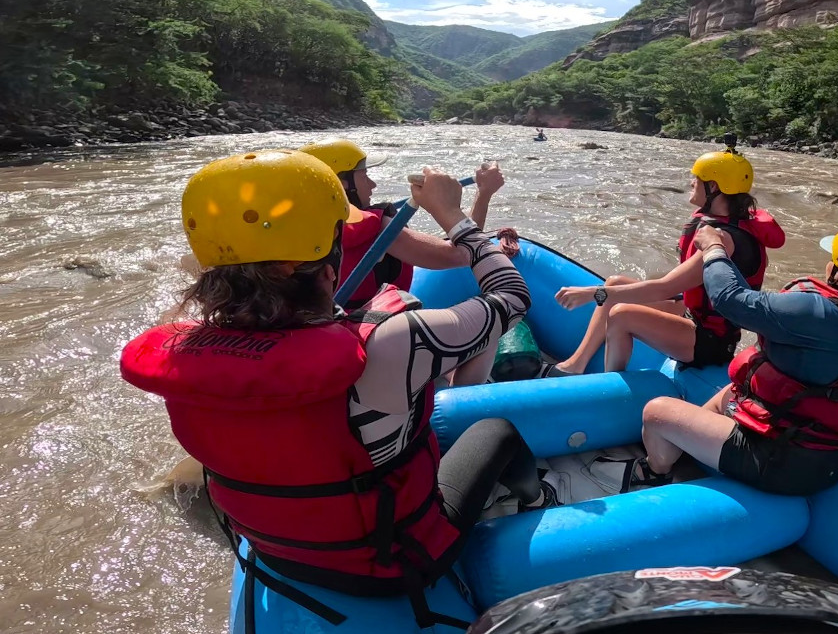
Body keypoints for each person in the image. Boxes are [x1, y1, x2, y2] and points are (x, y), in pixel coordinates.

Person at [120, 150, 556, 628]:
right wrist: (452, 214)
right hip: (389, 561)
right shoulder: (393, 341)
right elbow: (512, 298)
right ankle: (537, 502)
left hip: (277, 550)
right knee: (496, 431)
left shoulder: (182, 347)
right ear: (325, 261)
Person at [628, 220, 838, 493]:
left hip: (777, 461)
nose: (828, 263)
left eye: (834, 259)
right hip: (834, 459)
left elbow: (730, 299)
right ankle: (690, 448)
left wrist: (713, 248)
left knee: (655, 411)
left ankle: (652, 473)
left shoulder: (818, 315)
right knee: (734, 390)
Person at [552, 139, 785, 374]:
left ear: (713, 187)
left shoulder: (722, 239)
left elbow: (663, 288)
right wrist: (606, 292)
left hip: (712, 340)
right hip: (692, 313)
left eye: (697, 178)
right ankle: (575, 365)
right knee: (615, 284)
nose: (691, 182)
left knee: (621, 315)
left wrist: (593, 293)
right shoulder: (724, 222)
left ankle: (608, 388)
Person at [300, 137, 506, 309]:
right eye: (364, 177)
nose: (373, 185)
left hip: (319, 329)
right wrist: (483, 193)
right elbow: (463, 254)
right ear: (341, 184)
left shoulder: (288, 227)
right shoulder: (376, 227)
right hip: (369, 336)